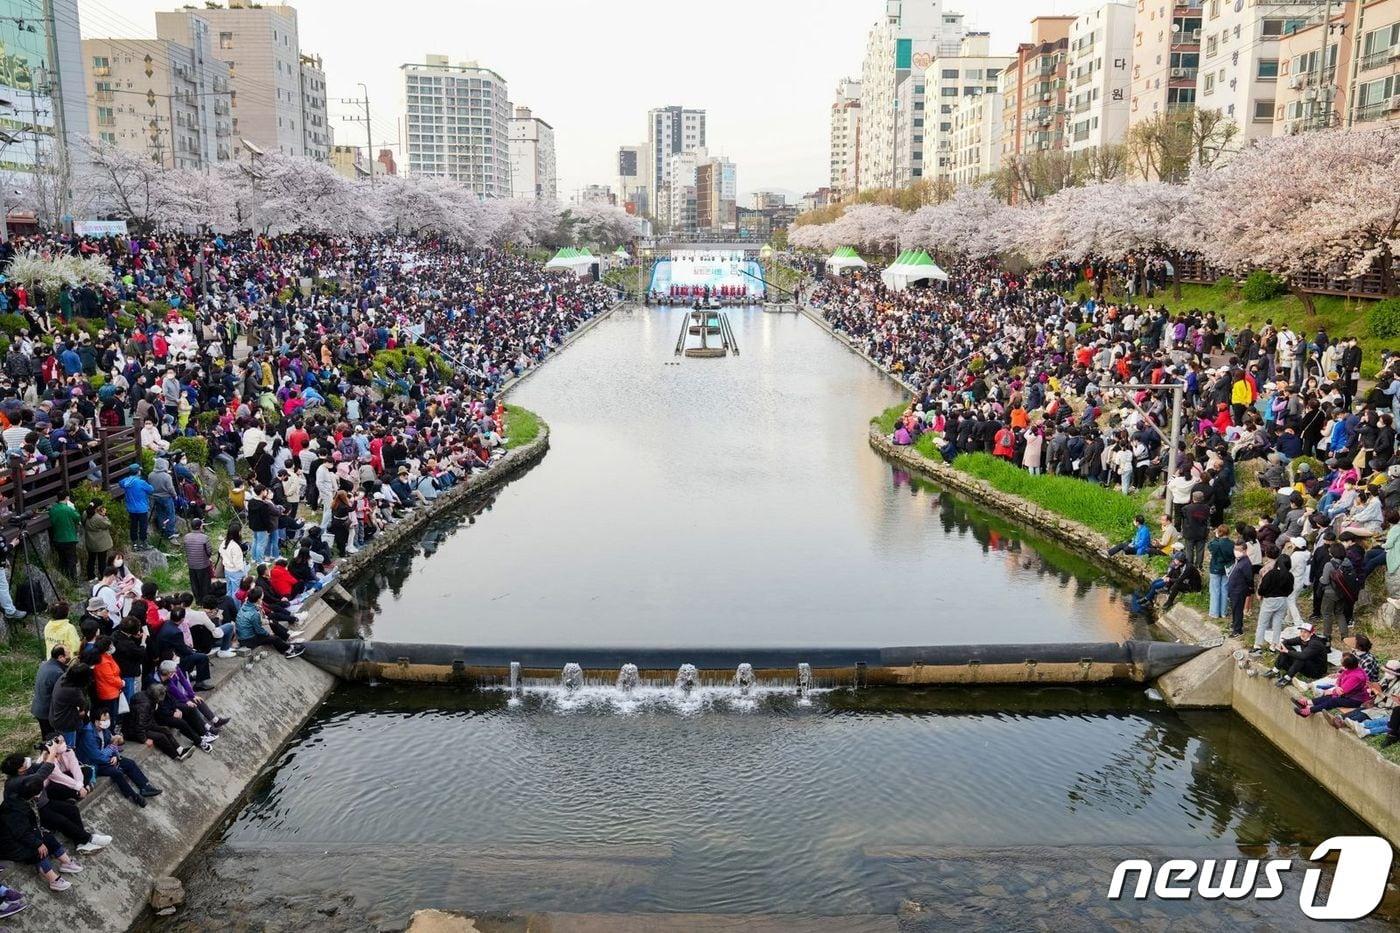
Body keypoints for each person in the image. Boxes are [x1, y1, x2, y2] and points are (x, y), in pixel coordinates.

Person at [0, 757, 85, 892]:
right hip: (8, 844)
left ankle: (66, 863)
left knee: (46, 836)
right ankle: (53, 880)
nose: (39, 795)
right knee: (37, 850)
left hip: (21, 834)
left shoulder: (23, 799)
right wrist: (37, 843)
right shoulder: (14, 809)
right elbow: (20, 832)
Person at [75, 710, 161, 807]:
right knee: (116, 773)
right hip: (93, 763)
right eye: (104, 719)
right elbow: (96, 756)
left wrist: (115, 756)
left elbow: (112, 743)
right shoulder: (88, 734)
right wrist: (110, 757)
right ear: (96, 721)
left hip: (106, 757)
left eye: (108, 718)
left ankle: (145, 787)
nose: (107, 721)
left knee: (129, 763)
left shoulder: (104, 730)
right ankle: (134, 796)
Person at [126, 682, 192, 762]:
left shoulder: (148, 697)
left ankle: (180, 750)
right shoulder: (144, 705)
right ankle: (175, 755)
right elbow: (139, 724)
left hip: (146, 724)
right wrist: (144, 739)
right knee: (161, 736)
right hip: (133, 730)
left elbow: (146, 718)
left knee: (165, 730)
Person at [235, 586, 304, 658]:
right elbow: (259, 630)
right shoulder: (253, 614)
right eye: (262, 597)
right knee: (274, 638)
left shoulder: (246, 605)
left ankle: (286, 638)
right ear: (258, 599)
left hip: (244, 634)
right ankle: (288, 650)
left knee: (272, 622)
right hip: (248, 640)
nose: (263, 598)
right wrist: (268, 634)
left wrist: (266, 621)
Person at [1294, 654, 1369, 717]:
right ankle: (1307, 703)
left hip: (1355, 700)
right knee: (1328, 696)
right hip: (1347, 694)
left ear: (1347, 665)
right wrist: (1336, 687)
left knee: (1334, 700)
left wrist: (1334, 690)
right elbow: (1340, 678)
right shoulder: (1351, 669)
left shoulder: (1355, 677)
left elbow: (1341, 691)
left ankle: (1310, 710)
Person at [1252, 546, 1293, 651]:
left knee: (1262, 623)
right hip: (1283, 601)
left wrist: (1262, 594)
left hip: (1269, 600)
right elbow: (1290, 590)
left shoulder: (1271, 574)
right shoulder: (1289, 576)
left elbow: (1262, 588)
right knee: (1277, 623)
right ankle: (1274, 645)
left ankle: (1258, 645)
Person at [1271, 622, 1329, 686]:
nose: (1302, 634)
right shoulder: (1302, 638)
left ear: (1311, 633)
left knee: (1300, 657)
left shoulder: (1315, 643)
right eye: (1301, 631)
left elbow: (1303, 656)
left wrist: (1287, 651)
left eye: (1305, 632)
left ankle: (1288, 677)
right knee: (1287, 648)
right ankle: (1275, 670)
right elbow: (1287, 641)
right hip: (1307, 664)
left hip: (1316, 671)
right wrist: (1281, 644)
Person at [47, 662, 91, 748]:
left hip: (55, 717)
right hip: (66, 723)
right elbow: (84, 704)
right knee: (68, 749)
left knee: (62, 744)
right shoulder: (73, 691)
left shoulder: (64, 677)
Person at [29, 645, 67, 737]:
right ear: (61, 657)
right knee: (52, 739)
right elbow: (61, 694)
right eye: (68, 653)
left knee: (46, 735)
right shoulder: (57, 672)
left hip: (39, 708)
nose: (70, 655)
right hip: (47, 712)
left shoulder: (45, 664)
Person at [119, 463, 154, 548]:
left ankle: (134, 544)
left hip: (131, 509)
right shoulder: (141, 482)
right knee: (143, 526)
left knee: (133, 526)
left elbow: (120, 483)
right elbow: (151, 490)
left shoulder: (125, 481)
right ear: (137, 472)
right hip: (142, 508)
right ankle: (143, 543)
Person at [46, 493, 80, 578]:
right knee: (71, 560)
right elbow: (77, 518)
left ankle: (64, 578)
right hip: (69, 538)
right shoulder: (69, 509)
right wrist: (73, 508)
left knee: (62, 560)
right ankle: (73, 580)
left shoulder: (53, 509)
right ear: (67, 498)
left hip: (58, 538)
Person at [1226, 542, 1255, 637]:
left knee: (1238, 610)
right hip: (1234, 589)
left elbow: (1249, 578)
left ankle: (1238, 630)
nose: (1236, 551)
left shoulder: (1246, 563)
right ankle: (1235, 624)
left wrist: (1249, 589)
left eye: (1239, 550)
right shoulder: (1238, 560)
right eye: (1235, 549)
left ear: (1245, 550)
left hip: (1239, 590)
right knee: (1234, 609)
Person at [182, 518, 214, 602]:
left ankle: (198, 600)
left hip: (191, 565)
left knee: (194, 583)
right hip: (203, 564)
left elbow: (185, 549)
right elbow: (209, 551)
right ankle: (205, 600)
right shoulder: (204, 538)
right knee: (205, 583)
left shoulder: (186, 537)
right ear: (200, 526)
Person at [1206, 525, 1235, 619]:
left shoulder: (1215, 543)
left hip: (1215, 568)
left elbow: (1209, 546)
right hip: (1227, 569)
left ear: (1219, 532)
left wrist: (1215, 537)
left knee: (1215, 591)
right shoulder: (1232, 543)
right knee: (1224, 590)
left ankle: (1214, 613)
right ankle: (1223, 612)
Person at [82, 501, 113, 581]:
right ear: (98, 507)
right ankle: (103, 577)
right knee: (102, 561)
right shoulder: (98, 518)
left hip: (90, 541)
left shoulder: (85, 513)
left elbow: (83, 522)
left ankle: (90, 576)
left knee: (91, 559)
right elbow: (108, 524)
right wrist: (104, 515)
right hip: (100, 543)